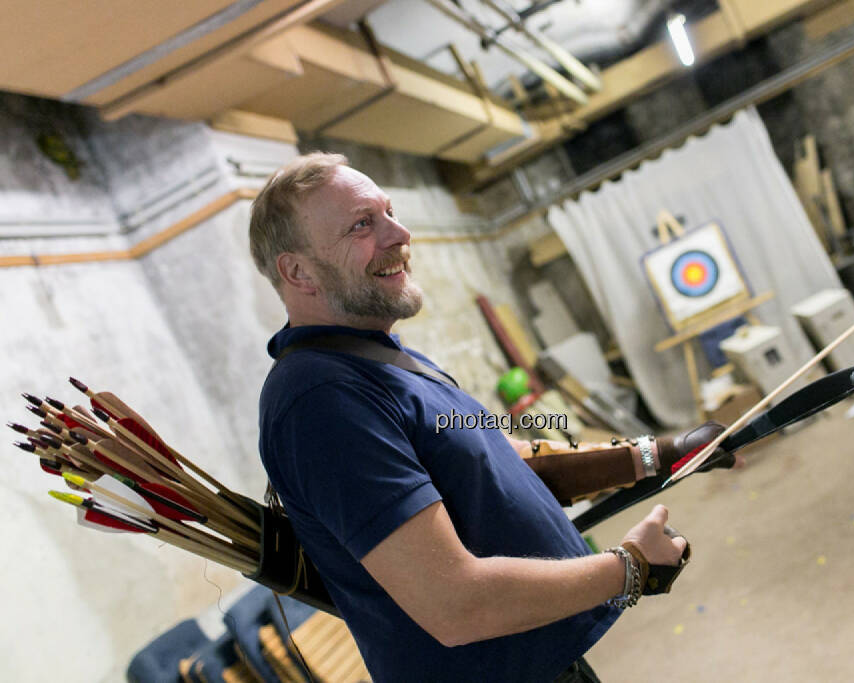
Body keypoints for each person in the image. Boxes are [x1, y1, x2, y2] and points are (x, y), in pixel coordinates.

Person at [249, 152, 733, 682]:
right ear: (297, 271)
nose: (400, 233)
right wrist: (630, 569)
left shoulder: (377, 355)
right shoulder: (320, 400)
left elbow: (496, 458)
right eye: (363, 224)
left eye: (390, 212)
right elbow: (456, 603)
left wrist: (654, 455)